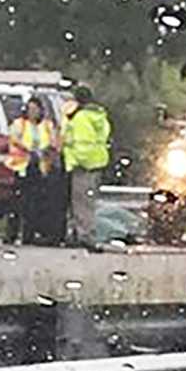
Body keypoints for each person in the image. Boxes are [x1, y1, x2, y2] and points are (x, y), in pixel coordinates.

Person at [62, 86, 112, 251]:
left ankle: (84, 235)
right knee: (87, 202)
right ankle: (80, 233)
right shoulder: (99, 116)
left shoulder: (81, 118)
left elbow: (82, 144)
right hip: (96, 164)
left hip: (83, 167)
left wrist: (77, 161)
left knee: (80, 203)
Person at [4, 97, 57, 245]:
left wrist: (45, 151)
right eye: (30, 109)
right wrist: (28, 149)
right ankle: (12, 234)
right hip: (21, 167)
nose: (33, 112)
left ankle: (29, 234)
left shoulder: (47, 125)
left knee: (34, 203)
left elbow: (53, 143)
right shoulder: (19, 124)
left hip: (40, 168)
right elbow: (14, 139)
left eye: (35, 109)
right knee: (16, 203)